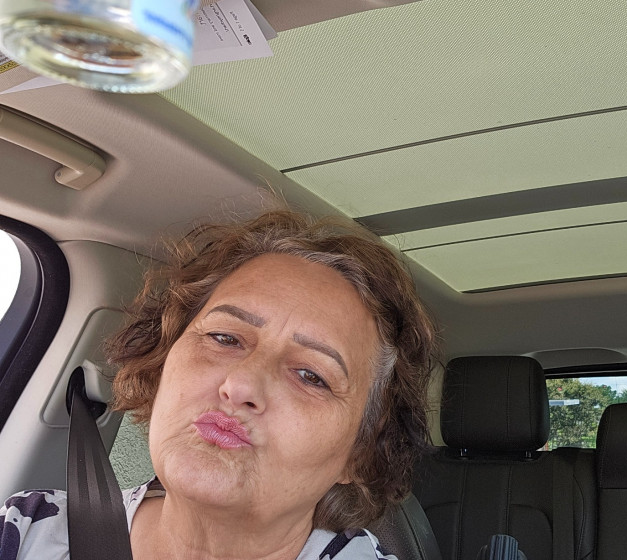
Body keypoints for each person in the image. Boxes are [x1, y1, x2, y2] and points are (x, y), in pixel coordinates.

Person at [0, 210, 439, 560]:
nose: (241, 384)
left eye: (311, 376)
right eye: (224, 338)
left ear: (360, 453)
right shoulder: (26, 531)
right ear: (163, 362)